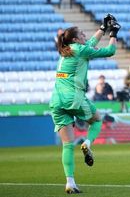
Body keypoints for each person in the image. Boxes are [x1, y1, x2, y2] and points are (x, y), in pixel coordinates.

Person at [49, 14, 120, 194]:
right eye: (82, 33)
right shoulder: (80, 50)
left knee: (67, 144)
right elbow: (110, 51)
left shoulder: (67, 51)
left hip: (56, 100)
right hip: (73, 97)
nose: (85, 35)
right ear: (75, 39)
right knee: (97, 120)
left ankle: (70, 182)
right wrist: (113, 34)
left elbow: (88, 45)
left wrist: (102, 29)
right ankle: (88, 143)